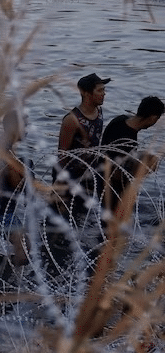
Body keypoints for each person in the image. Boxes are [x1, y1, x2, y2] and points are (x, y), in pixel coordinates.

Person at [47, 73, 109, 279]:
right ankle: (52, 257)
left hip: (88, 177)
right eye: (100, 90)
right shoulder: (72, 120)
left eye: (103, 90)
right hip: (68, 177)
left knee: (79, 217)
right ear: (86, 93)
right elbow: (62, 154)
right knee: (58, 220)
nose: (104, 94)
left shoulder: (99, 112)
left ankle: (72, 253)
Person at [0, 108, 32, 315]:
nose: (26, 129)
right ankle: (5, 283)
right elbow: (18, 185)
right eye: (24, 126)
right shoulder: (7, 154)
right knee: (24, 251)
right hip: (2, 213)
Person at [101, 95, 163, 217]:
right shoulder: (128, 137)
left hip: (103, 177)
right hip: (110, 186)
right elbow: (116, 171)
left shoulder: (120, 120)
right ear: (153, 118)